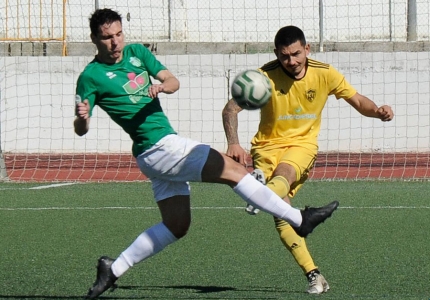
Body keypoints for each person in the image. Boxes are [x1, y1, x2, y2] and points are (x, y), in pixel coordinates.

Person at [75, 10, 339, 299]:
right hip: (158, 147)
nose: (115, 42)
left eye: (118, 34)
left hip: (157, 153)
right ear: (94, 39)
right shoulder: (91, 76)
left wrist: (162, 86)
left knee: (177, 226)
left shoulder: (137, 53)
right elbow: (81, 130)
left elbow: (173, 81)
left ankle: (112, 269)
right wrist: (83, 118)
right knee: (235, 172)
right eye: (107, 37)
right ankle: (300, 220)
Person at [222, 25, 394, 294]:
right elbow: (230, 109)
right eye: (284, 56)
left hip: (302, 145)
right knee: (282, 216)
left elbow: (357, 100)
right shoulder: (263, 77)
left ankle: (257, 193)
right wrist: (233, 142)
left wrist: (378, 111)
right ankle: (315, 276)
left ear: (307, 49)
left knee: (285, 173)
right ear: (276, 54)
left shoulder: (324, 74)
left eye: (295, 54)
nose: (290, 61)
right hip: (266, 147)